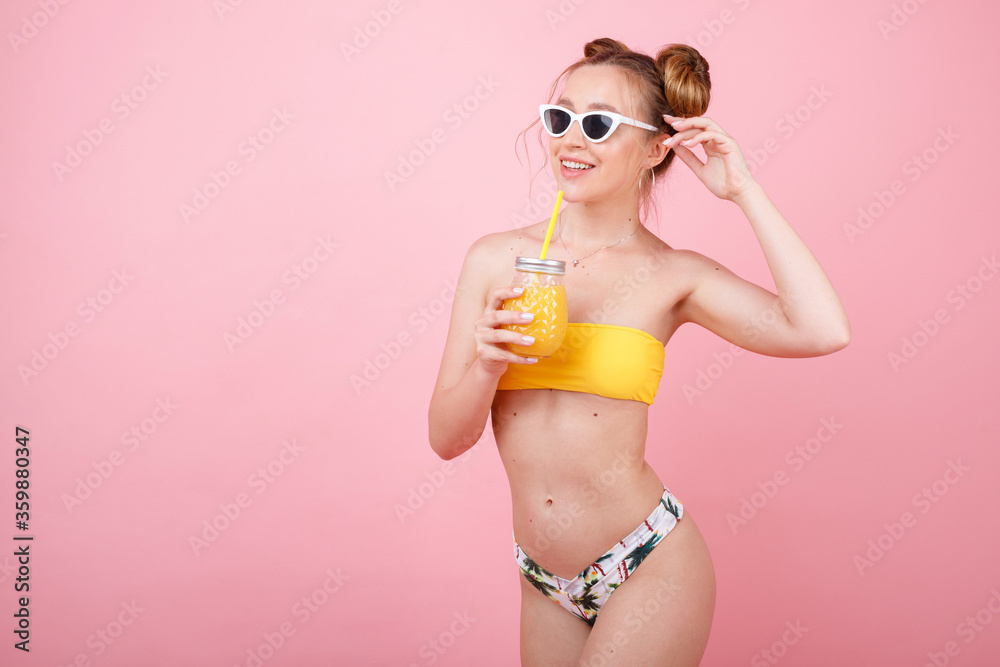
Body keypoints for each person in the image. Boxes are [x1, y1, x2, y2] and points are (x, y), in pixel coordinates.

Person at [427, 37, 850, 666]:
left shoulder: (673, 275)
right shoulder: (497, 261)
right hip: (544, 578)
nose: (572, 140)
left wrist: (743, 192)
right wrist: (489, 362)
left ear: (656, 148)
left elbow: (821, 330)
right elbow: (446, 438)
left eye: (598, 124)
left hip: (648, 563)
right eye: (560, 118)